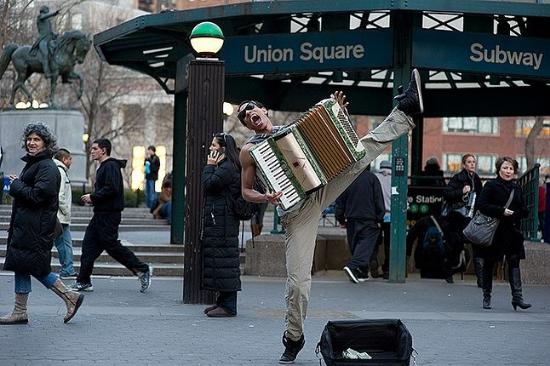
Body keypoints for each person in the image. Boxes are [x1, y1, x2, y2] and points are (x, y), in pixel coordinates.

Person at [238, 69, 423, 363]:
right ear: (248, 124)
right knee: (298, 284)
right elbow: (246, 191)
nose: (249, 115)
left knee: (362, 152)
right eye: (244, 116)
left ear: (264, 110)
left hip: (320, 189)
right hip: (297, 214)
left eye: (252, 109)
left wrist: (336, 117)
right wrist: (266, 197)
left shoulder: (293, 129)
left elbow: (336, 148)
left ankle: (405, 110)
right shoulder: (249, 150)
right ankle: (294, 336)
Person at [1, 123, 84, 325]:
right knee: (23, 265)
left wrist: (17, 185)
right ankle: (20, 310)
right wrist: (18, 184)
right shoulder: (35, 164)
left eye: (36, 139)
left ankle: (69, 296)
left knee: (37, 268)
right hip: (27, 227)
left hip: (35, 229)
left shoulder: (47, 167)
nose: (31, 142)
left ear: (46, 143)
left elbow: (38, 196)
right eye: (29, 139)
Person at [71, 138, 152, 293]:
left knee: (112, 246)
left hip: (109, 215)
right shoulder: (105, 167)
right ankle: (83, 281)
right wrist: (95, 199)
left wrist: (93, 197)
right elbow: (109, 190)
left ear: (104, 150)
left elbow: (112, 189)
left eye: (95, 148)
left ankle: (142, 269)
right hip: (101, 214)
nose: (92, 151)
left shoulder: (110, 166)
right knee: (88, 246)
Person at [476, 156, 531, 311]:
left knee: (514, 262)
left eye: (511, 168)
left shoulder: (517, 187)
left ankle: (517, 297)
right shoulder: (491, 186)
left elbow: (523, 208)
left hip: (512, 231)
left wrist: (521, 212)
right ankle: (487, 296)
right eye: (505, 168)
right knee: (489, 263)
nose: (508, 171)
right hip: (494, 231)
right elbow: (481, 205)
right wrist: (501, 211)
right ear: (499, 170)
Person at [201, 133, 242, 317]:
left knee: (225, 263)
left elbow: (209, 184)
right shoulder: (225, 166)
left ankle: (229, 306)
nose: (210, 149)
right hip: (220, 222)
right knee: (219, 263)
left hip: (224, 224)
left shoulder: (227, 168)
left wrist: (209, 167)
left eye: (214, 146)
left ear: (223, 149)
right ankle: (222, 302)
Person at [335, 169, 385, 283]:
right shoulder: (372, 178)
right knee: (366, 246)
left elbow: (340, 201)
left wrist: (340, 219)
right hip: (369, 218)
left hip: (351, 219)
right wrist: (379, 217)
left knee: (356, 245)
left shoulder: (347, 179)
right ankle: (353, 266)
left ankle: (361, 272)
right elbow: (378, 198)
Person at [442, 154, 483, 285]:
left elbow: (481, 197)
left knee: (477, 245)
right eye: (469, 162)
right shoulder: (458, 178)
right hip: (457, 218)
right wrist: (461, 191)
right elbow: (447, 194)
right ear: (464, 165)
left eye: (474, 162)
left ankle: (480, 278)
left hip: (472, 218)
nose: (472, 164)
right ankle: (449, 272)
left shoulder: (476, 179)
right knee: (455, 246)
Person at [53, 148, 78, 278]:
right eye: (70, 159)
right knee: (65, 243)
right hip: (60, 216)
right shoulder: (61, 172)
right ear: (64, 159)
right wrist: (66, 211)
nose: (71, 162)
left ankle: (67, 268)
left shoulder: (56, 170)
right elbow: (60, 196)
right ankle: (67, 269)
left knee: (60, 243)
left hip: (57, 215)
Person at [373, 160, 392, 279]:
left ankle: (374, 267)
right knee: (389, 244)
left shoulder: (375, 178)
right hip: (391, 216)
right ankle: (388, 270)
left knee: (374, 242)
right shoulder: (396, 179)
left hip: (376, 216)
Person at [30, 6, 59, 78]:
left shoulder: (48, 20)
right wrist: (53, 14)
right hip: (43, 40)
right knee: (45, 54)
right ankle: (46, 72)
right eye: (47, 10)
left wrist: (55, 34)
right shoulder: (40, 16)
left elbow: (49, 31)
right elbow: (44, 16)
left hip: (50, 40)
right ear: (44, 10)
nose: (48, 11)